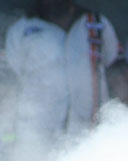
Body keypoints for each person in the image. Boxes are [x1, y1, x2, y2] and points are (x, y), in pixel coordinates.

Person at [4, 0, 119, 149]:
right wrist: (7, 140)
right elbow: (8, 86)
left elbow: (116, 73)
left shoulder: (96, 24)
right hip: (35, 138)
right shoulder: (21, 29)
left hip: (88, 136)